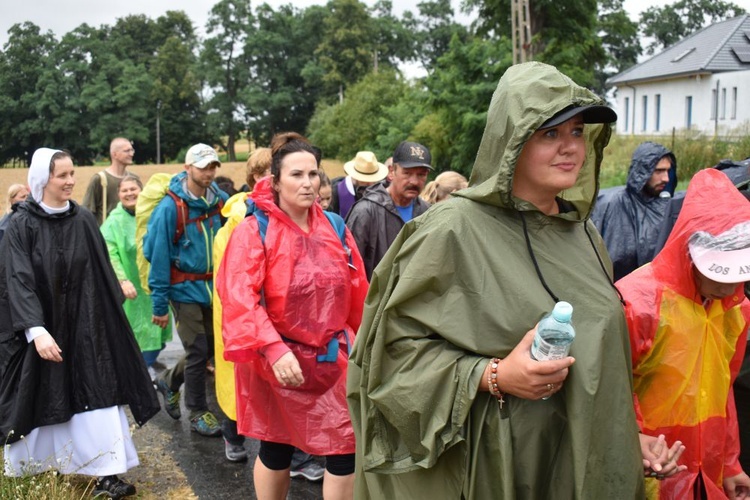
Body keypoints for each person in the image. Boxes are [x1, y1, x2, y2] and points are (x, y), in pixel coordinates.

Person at [347, 62, 688, 499]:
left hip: (576, 466)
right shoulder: (452, 229)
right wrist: (493, 374)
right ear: (511, 140)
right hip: (494, 471)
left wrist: (620, 440)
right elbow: (386, 359)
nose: (570, 148)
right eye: (550, 133)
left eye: (578, 132)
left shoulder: (583, 233)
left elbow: (594, 364)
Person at [0, 148, 159, 499]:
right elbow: (17, 279)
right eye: (62, 175)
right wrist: (36, 330)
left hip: (87, 328)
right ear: (44, 179)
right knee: (41, 396)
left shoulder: (84, 219)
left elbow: (101, 275)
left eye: (72, 173)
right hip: (41, 330)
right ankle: (35, 467)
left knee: (98, 393)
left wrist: (107, 325)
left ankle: (106, 473)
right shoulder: (20, 224)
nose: (71, 180)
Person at [217, 132, 368, 499]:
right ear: (276, 181)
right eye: (296, 174)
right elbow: (239, 296)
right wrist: (272, 348)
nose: (307, 183)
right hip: (277, 364)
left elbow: (357, 290)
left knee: (345, 446)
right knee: (277, 446)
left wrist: (362, 342)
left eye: (313, 174)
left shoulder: (335, 226)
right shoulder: (255, 231)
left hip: (333, 358)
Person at [618, 168, 750, 499]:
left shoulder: (735, 309)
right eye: (719, 271)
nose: (729, 285)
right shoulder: (639, 301)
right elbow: (608, 387)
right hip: (649, 467)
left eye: (739, 273)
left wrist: (731, 465)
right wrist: (631, 439)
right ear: (689, 252)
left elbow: (723, 389)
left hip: (708, 469)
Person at [144, 143, 228, 437]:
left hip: (213, 289)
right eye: (203, 166)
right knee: (198, 350)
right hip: (184, 290)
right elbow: (158, 256)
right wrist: (158, 305)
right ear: (187, 168)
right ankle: (197, 412)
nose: (209, 172)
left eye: (213, 166)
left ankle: (168, 380)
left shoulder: (219, 201)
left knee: (213, 348)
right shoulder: (170, 207)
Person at [100, 175, 172, 376]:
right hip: (132, 290)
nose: (130, 193)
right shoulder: (113, 222)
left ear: (142, 191)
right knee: (137, 334)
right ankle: (139, 373)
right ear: (119, 195)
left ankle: (146, 367)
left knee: (158, 332)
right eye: (125, 190)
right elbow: (110, 253)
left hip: (156, 285)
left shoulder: (154, 213)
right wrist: (122, 280)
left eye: (134, 188)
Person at [591, 142, 676, 281]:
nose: (665, 178)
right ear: (642, 172)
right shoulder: (614, 203)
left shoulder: (664, 206)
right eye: (659, 171)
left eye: (668, 171)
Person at [345, 142, 431, 279]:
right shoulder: (366, 211)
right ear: (392, 171)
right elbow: (350, 269)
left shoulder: (428, 213)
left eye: (421, 175)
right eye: (407, 173)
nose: (414, 181)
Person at [83, 137, 139, 225]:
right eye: (127, 151)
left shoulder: (134, 179)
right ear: (114, 154)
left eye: (132, 150)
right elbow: (87, 212)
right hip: (107, 236)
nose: (131, 154)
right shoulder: (100, 179)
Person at [329, 151, 388, 219]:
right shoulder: (336, 192)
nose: (369, 184)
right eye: (365, 180)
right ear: (355, 176)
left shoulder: (381, 191)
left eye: (372, 180)